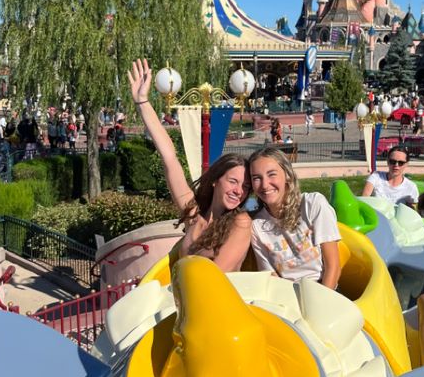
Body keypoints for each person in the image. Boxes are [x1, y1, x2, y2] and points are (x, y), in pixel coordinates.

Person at [128, 58, 252, 272]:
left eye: (245, 186)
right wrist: (142, 102)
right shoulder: (194, 216)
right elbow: (169, 158)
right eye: (233, 181)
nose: (238, 191)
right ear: (215, 181)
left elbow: (216, 277)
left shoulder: (239, 223)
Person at [248, 145, 340, 288]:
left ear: (287, 175)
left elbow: (333, 266)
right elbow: (271, 278)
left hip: (323, 288)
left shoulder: (312, 204)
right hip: (287, 295)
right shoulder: (257, 226)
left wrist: (322, 303)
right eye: (257, 178)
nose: (265, 185)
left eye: (272, 174)